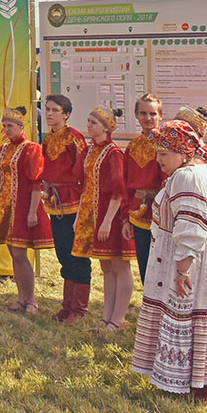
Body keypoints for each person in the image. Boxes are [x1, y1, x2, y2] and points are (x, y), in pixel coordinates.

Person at [131, 119, 207, 405]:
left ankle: (201, 386)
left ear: (183, 151)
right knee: (200, 314)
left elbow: (191, 227)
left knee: (189, 313)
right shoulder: (204, 167)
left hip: (195, 258)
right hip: (206, 254)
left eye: (164, 153)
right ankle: (198, 381)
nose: (158, 159)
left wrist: (182, 270)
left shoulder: (187, 177)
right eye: (157, 153)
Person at [75, 106, 136, 330]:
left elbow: (118, 191)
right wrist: (80, 216)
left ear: (107, 127)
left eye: (94, 122)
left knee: (120, 266)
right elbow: (85, 185)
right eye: (89, 121)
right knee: (106, 267)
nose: (89, 125)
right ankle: (106, 316)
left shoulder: (113, 153)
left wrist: (108, 220)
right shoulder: (91, 150)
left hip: (111, 214)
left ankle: (118, 317)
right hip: (95, 213)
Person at [0, 107, 48, 314]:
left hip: (22, 206)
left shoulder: (31, 148)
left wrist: (32, 211)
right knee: (14, 253)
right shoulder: (3, 149)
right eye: (4, 126)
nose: (6, 129)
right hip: (6, 208)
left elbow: (36, 183)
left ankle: (31, 299)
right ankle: (21, 297)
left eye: (10, 126)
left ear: (21, 127)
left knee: (20, 253)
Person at [41, 94, 92, 323]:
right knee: (63, 254)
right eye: (47, 109)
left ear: (66, 114)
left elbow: (85, 171)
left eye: (55, 110)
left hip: (73, 202)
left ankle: (79, 309)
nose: (50, 114)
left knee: (77, 254)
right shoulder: (48, 139)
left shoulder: (74, 138)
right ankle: (67, 305)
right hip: (55, 202)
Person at [126, 95, 167, 284]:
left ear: (161, 115)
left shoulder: (166, 145)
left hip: (162, 215)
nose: (148, 118)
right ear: (136, 115)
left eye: (153, 114)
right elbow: (126, 183)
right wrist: (126, 218)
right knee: (144, 266)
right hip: (138, 214)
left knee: (163, 268)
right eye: (143, 113)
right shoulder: (132, 146)